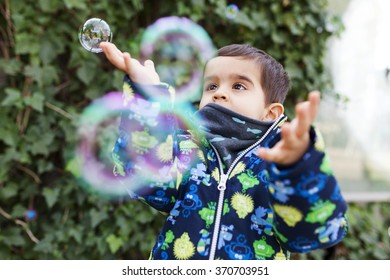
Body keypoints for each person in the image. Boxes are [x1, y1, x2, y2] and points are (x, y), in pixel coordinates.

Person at [100, 42, 348, 260]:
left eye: (239, 86)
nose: (219, 93)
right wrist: (148, 95)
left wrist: (296, 168)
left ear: (270, 113)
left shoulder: (276, 165)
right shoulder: (187, 149)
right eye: (211, 86)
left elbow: (310, 233)